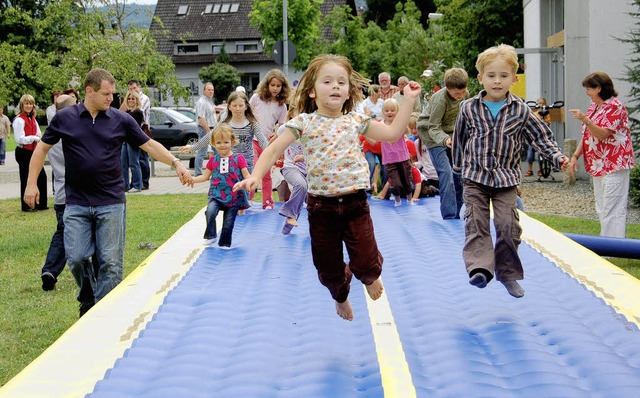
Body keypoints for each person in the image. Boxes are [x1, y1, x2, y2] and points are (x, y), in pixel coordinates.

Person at [233, 54, 422, 321]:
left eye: (341, 82)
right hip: (322, 207)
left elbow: (392, 134)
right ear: (312, 91)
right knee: (327, 267)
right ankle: (340, 295)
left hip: (355, 203)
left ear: (348, 92)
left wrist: (409, 100)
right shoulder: (304, 123)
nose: (335, 86)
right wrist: (255, 176)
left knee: (367, 262)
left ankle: (369, 277)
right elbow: (274, 147)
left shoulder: (356, 120)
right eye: (327, 81)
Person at [24, 68, 193, 317]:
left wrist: (176, 163)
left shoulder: (120, 119)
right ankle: (88, 297)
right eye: (106, 94)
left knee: (111, 263)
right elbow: (41, 150)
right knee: (78, 258)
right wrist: (30, 184)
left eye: (113, 94)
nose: (111, 99)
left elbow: (149, 145)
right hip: (77, 202)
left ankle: (102, 314)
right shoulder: (65, 118)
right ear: (89, 91)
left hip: (111, 201)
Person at [453, 44, 570, 299]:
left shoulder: (521, 111)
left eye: (504, 76)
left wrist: (558, 157)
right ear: (480, 77)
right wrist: (459, 169)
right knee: (476, 223)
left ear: (514, 79)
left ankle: (507, 274)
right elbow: (460, 138)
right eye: (491, 76)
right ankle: (480, 268)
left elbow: (542, 138)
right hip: (475, 177)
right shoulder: (469, 108)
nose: (497, 81)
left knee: (508, 226)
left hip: (506, 180)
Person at [40, 94, 101, 294]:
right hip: (77, 194)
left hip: (60, 193)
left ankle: (50, 270)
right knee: (83, 237)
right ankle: (92, 277)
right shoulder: (69, 131)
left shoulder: (50, 133)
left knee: (62, 234)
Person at [569, 72, 634, 238]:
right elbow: (587, 135)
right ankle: (607, 244)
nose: (587, 92)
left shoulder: (615, 107)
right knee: (602, 207)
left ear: (599, 88)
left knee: (613, 208)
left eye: (589, 88)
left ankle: (613, 248)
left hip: (615, 163)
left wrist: (586, 120)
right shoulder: (594, 106)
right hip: (598, 164)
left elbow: (602, 134)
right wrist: (576, 156)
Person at [418, 67, 468, 219]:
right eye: (456, 93)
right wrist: (444, 139)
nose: (459, 96)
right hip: (432, 134)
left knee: (458, 173)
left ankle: (457, 212)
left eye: (462, 92)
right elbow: (433, 126)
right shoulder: (441, 100)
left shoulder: (465, 95)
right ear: (448, 88)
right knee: (446, 173)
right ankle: (449, 216)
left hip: (451, 134)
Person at [192, 124, 250, 247]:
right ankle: (211, 235)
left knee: (228, 224)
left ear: (232, 142)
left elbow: (246, 175)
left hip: (233, 196)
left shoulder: (238, 158)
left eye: (226, 142)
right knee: (210, 212)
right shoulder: (213, 160)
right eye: (218, 142)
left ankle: (224, 244)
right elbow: (205, 176)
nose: (222, 145)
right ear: (213, 143)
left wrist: (250, 182)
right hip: (216, 195)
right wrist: (192, 179)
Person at [249, 69, 291, 209]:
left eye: (278, 86)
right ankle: (248, 198)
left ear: (282, 87)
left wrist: (275, 136)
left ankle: (267, 201)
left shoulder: (281, 105)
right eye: (272, 85)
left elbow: (282, 126)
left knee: (267, 173)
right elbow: (247, 113)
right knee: (254, 169)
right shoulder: (256, 98)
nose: (275, 88)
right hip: (253, 140)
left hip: (267, 143)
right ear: (267, 85)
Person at [14, 94, 48, 212]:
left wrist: (38, 138)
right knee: (25, 177)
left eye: (31, 103)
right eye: (26, 103)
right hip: (23, 151)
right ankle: (27, 206)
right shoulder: (19, 120)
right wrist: (33, 138)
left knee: (41, 176)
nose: (29, 106)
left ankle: (41, 204)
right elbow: (19, 139)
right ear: (22, 105)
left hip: (33, 151)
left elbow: (38, 133)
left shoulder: (33, 119)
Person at [277, 108, 307, 235]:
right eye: (298, 112)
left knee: (311, 202)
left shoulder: (314, 130)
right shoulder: (285, 129)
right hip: (291, 167)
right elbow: (275, 143)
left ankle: (287, 229)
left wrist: (304, 157)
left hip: (310, 171)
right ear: (291, 114)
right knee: (301, 185)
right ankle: (289, 214)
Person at [379, 98, 414, 206]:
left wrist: (402, 122)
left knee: (406, 179)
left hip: (402, 156)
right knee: (394, 181)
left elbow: (407, 131)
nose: (389, 112)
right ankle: (397, 199)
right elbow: (376, 137)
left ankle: (409, 198)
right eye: (387, 110)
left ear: (397, 112)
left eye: (392, 110)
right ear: (383, 112)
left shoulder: (399, 123)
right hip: (389, 159)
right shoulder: (381, 125)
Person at [124, 80, 152, 189]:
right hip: (130, 136)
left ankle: (144, 183)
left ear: (138, 87)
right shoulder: (129, 101)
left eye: (134, 88)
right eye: (130, 89)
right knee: (132, 161)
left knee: (142, 159)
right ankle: (133, 184)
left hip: (142, 131)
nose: (132, 91)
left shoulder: (144, 98)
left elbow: (138, 111)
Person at [120, 91, 145, 192]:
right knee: (123, 164)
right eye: (129, 99)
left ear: (136, 100)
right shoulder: (127, 112)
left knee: (134, 163)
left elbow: (133, 128)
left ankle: (137, 185)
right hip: (125, 141)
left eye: (133, 99)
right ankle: (125, 185)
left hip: (133, 141)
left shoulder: (138, 112)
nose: (131, 101)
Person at [194, 82, 217, 176]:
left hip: (212, 128)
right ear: (204, 91)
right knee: (202, 151)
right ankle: (198, 174)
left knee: (217, 151)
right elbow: (201, 118)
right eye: (209, 90)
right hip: (205, 129)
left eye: (212, 90)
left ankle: (216, 171)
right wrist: (208, 131)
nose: (211, 91)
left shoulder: (209, 101)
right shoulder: (202, 102)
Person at [525, 97, 552, 177]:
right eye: (540, 103)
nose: (541, 105)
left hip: (542, 136)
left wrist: (545, 120)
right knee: (530, 153)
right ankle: (530, 169)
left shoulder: (547, 114)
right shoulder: (535, 113)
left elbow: (548, 123)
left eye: (543, 103)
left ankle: (540, 169)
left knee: (541, 153)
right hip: (534, 136)